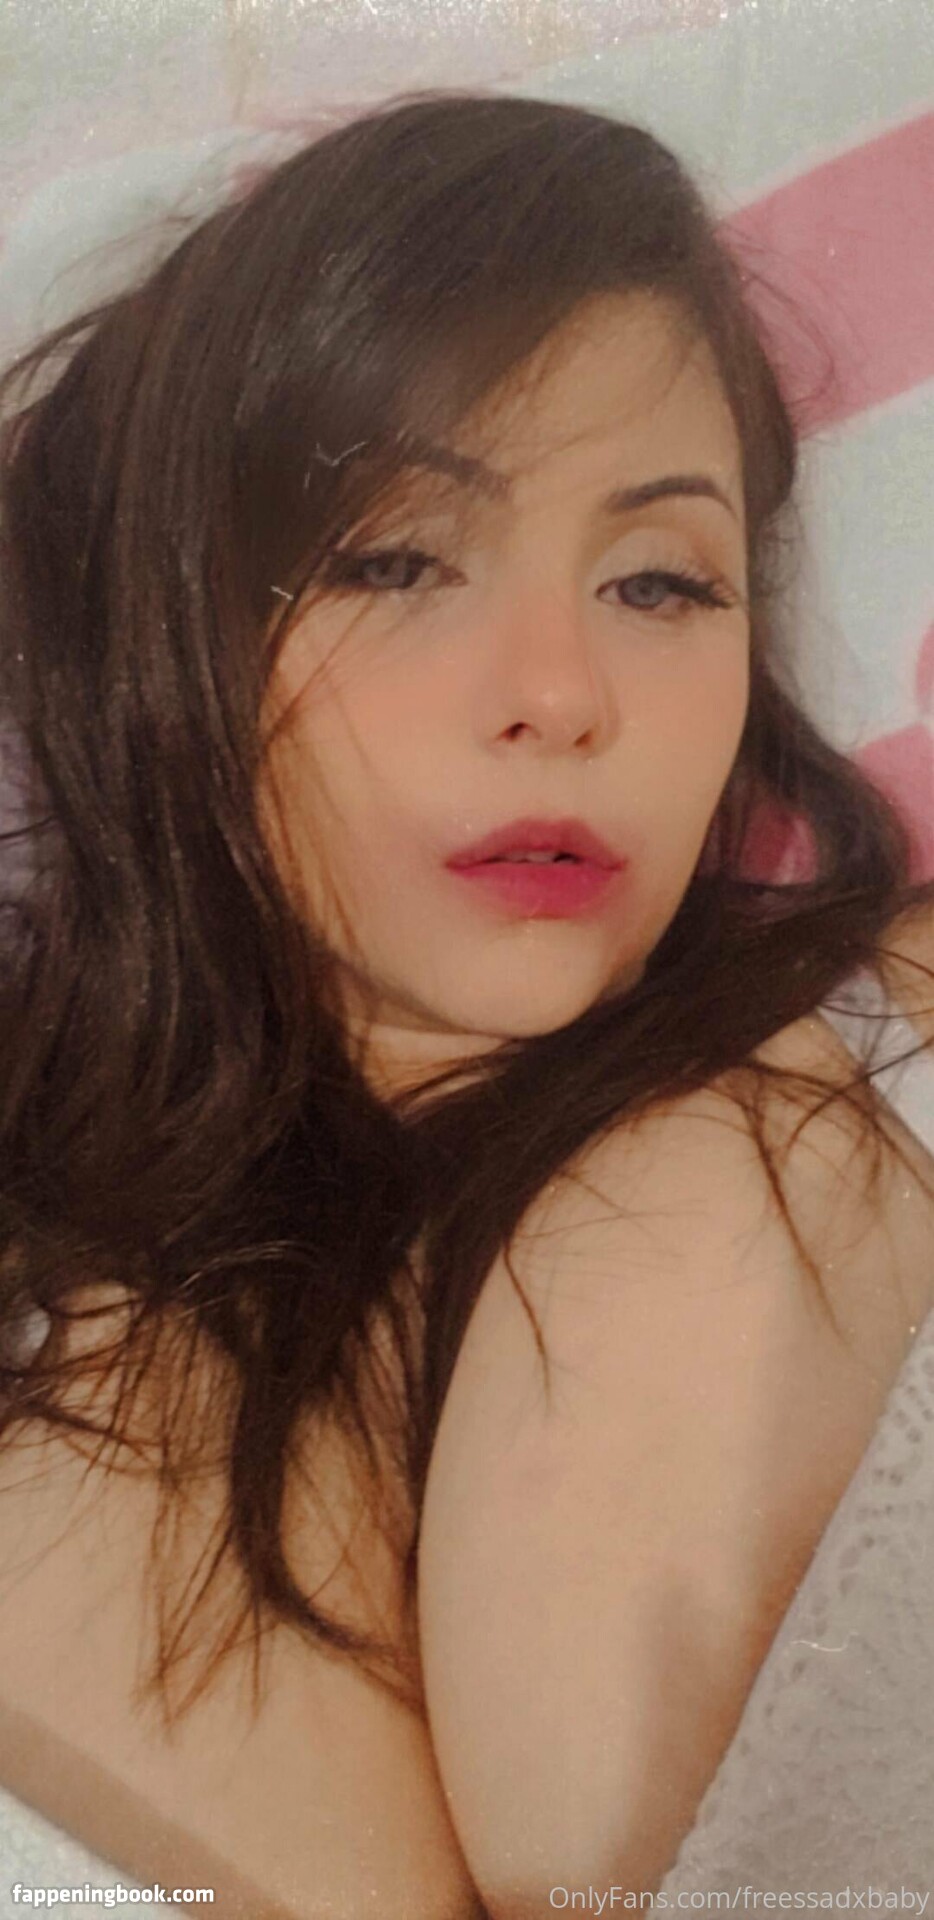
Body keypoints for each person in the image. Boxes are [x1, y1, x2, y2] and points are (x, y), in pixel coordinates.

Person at [0, 86, 932, 1918]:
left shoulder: (867, 1059)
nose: (558, 694)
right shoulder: (91, 1344)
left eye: (659, 580)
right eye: (392, 559)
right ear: (153, 635)